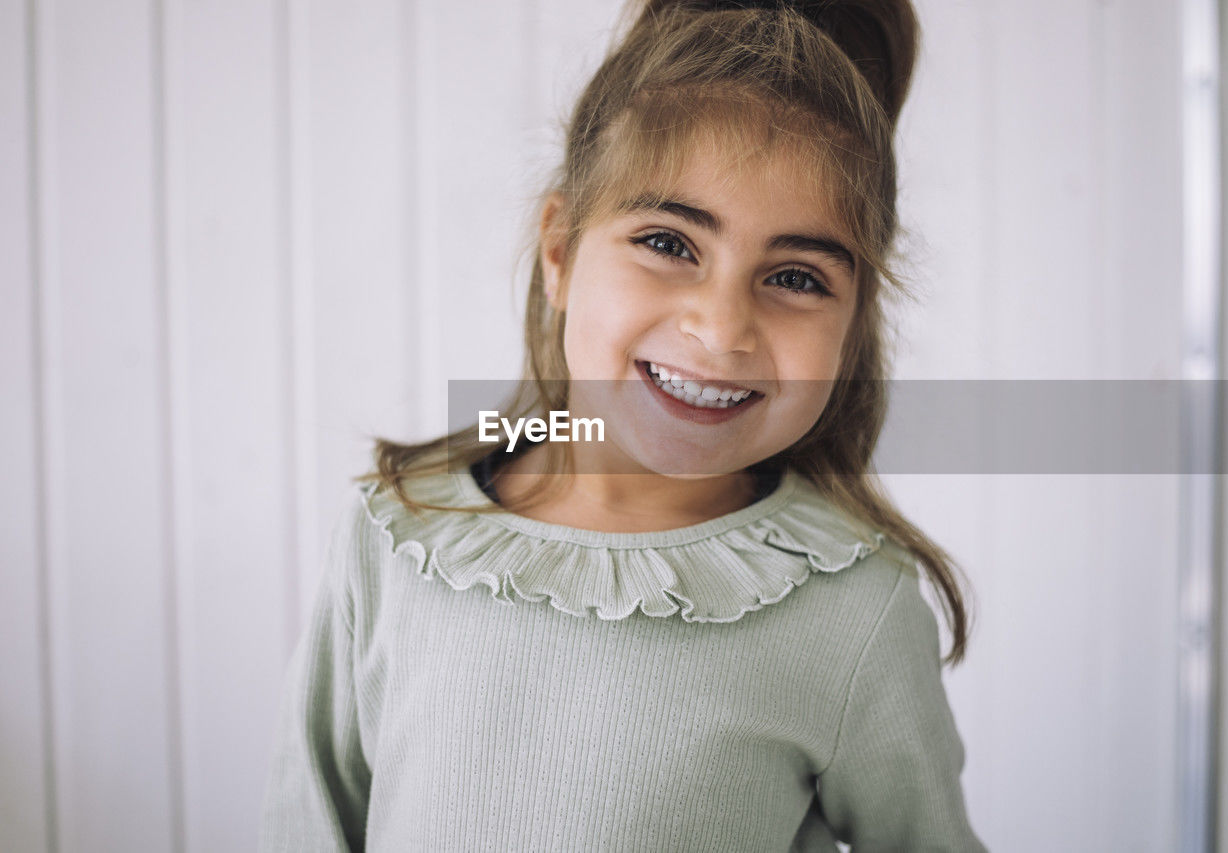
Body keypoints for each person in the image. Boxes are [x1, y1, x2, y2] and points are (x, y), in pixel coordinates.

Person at [260, 0, 988, 849]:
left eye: (794, 276)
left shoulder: (855, 609)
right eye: (670, 243)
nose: (721, 329)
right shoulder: (396, 534)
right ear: (561, 250)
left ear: (855, 316)